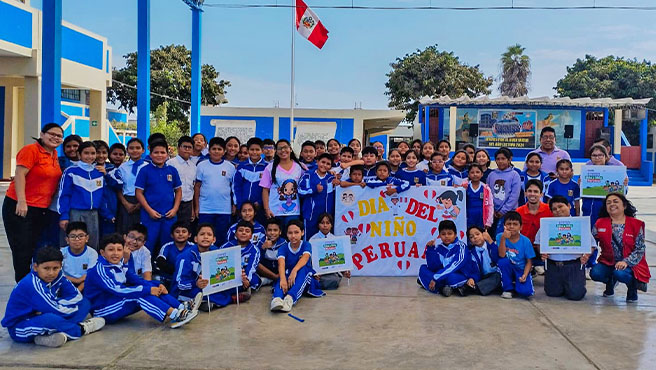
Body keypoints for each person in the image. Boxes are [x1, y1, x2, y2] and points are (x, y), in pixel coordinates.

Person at [85, 233, 199, 327]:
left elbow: (135, 279)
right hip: (102, 310)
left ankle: (181, 307)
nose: (115, 253)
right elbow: (119, 290)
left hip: (116, 301)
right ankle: (176, 315)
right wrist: (148, 290)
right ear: (102, 252)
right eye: (111, 250)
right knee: (140, 294)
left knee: (151, 287)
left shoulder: (119, 263)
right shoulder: (99, 270)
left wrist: (157, 286)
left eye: (119, 250)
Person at [1, 246, 105, 347]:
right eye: (46, 268)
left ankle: (53, 335)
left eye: (55, 268)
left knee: (85, 303)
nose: (51, 273)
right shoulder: (32, 283)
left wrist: (59, 305)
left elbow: (76, 296)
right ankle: (82, 328)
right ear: (35, 267)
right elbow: (56, 310)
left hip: (45, 312)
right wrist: (61, 308)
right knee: (50, 319)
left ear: (61, 266)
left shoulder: (59, 275)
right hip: (20, 326)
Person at [3, 123, 64, 282]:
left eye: (59, 136)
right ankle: (23, 287)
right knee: (22, 250)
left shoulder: (54, 154)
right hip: (20, 206)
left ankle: (34, 284)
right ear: (42, 134)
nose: (55, 138)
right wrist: (22, 201)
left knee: (33, 249)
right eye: (52, 134)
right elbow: (19, 174)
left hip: (40, 209)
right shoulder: (31, 150)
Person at [590, 193, 649, 302]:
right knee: (595, 273)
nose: (612, 204)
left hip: (630, 264)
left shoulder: (636, 224)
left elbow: (640, 249)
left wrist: (626, 262)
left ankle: (632, 289)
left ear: (624, 206)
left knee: (620, 273)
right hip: (608, 261)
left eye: (615, 201)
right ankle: (610, 282)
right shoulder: (600, 223)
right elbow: (591, 241)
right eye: (608, 203)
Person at [535, 196, 593, 301]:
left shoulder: (579, 224)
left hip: (573, 265)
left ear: (569, 206)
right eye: (554, 209)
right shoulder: (546, 225)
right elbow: (539, 242)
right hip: (553, 265)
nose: (558, 210)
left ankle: (574, 284)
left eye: (560, 206)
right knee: (552, 293)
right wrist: (542, 253)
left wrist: (586, 256)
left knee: (576, 295)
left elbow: (592, 244)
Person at [135, 140, 182, 253]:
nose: (159, 155)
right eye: (156, 152)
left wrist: (175, 209)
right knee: (148, 244)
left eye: (162, 152)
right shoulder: (144, 170)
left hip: (169, 215)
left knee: (168, 244)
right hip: (150, 216)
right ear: (150, 154)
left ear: (167, 154)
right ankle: (146, 267)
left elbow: (179, 191)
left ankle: (164, 267)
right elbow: (138, 193)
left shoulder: (172, 170)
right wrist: (150, 211)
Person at [57, 141, 104, 250]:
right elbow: (64, 195)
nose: (90, 156)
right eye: (86, 153)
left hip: (93, 214)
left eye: (93, 153)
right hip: (75, 213)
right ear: (79, 155)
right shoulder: (71, 171)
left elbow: (104, 195)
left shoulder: (99, 172)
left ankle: (91, 266)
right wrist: (64, 215)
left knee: (92, 244)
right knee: (73, 244)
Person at [270, 220, 324, 312]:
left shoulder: (306, 245)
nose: (293, 236)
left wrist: (295, 270)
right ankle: (277, 299)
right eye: (290, 233)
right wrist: (283, 278)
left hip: (305, 277)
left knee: (303, 270)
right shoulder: (283, 248)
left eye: (296, 232)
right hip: (290, 276)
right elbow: (281, 263)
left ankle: (290, 299)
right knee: (283, 275)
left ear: (302, 232)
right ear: (286, 234)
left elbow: (305, 258)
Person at [417, 220, 478, 297]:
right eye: (443, 234)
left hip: (460, 274)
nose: (446, 236)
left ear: (455, 234)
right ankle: (443, 288)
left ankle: (433, 285)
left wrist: (436, 278)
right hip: (443, 274)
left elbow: (455, 265)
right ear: (439, 235)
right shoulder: (439, 248)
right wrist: (430, 250)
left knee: (450, 277)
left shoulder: (461, 247)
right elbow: (433, 267)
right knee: (423, 268)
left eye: (450, 234)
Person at [194, 137, 236, 247]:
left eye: (219, 149)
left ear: (224, 151)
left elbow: (233, 188)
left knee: (221, 238)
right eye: (214, 149)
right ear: (209, 150)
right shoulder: (201, 165)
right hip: (205, 208)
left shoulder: (230, 167)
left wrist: (234, 205)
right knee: (205, 237)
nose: (216, 151)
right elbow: (197, 187)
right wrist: (197, 207)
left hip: (224, 209)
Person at [260, 139, 305, 228]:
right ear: (276, 151)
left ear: (290, 149)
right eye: (280, 148)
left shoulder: (300, 167)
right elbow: (265, 190)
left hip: (294, 212)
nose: (283, 150)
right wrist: (267, 209)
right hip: (275, 211)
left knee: (292, 237)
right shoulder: (270, 168)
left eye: (285, 147)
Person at [516, 179, 552, 275]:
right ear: (525, 193)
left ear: (541, 194)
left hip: (544, 249)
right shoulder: (518, 212)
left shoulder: (550, 210)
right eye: (530, 191)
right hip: (525, 249)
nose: (532, 194)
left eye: (536, 191)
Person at [298, 153, 339, 238]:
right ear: (317, 162)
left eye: (328, 164)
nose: (324, 165)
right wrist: (314, 190)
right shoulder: (308, 175)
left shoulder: (332, 178)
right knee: (309, 238)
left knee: (326, 241)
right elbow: (300, 191)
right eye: (323, 162)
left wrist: (337, 184)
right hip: (310, 215)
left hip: (326, 217)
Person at [496, 211, 535, 299]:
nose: (511, 226)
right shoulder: (500, 236)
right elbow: (501, 255)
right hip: (508, 267)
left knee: (526, 292)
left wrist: (525, 274)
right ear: (504, 226)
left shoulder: (525, 241)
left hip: (521, 269)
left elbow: (529, 261)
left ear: (520, 227)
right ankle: (508, 288)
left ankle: (517, 284)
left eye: (515, 224)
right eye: (509, 224)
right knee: (503, 261)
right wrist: (503, 238)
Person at [219, 220, 262, 296]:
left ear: (251, 235)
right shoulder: (225, 247)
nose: (243, 233)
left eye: (247, 231)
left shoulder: (254, 250)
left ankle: (240, 290)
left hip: (244, 275)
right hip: (227, 275)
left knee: (255, 280)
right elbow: (219, 264)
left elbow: (251, 267)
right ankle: (238, 292)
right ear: (235, 233)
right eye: (240, 230)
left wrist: (246, 279)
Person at [309, 213, 351, 290]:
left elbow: (339, 262)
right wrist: (314, 272)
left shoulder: (335, 240)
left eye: (328, 223)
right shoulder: (312, 240)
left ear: (331, 225)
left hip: (331, 272)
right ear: (318, 225)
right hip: (319, 273)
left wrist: (344, 271)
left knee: (334, 279)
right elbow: (310, 259)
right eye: (322, 223)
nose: (325, 225)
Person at [487, 147, 522, 236]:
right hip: (493, 213)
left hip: (509, 213)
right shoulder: (491, 175)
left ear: (509, 159)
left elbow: (514, 196)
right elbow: (488, 194)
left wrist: (503, 211)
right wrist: (492, 210)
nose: (500, 161)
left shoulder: (514, 175)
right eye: (498, 159)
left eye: (503, 159)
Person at [115, 138, 147, 234]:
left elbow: (151, 187)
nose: (135, 150)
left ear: (143, 150)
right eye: (131, 148)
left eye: (138, 148)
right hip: (126, 201)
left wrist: (140, 204)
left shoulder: (148, 166)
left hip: (144, 202)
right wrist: (125, 203)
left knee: (141, 231)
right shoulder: (122, 167)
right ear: (127, 150)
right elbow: (118, 187)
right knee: (126, 230)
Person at [233, 137, 267, 221]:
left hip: (260, 208)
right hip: (243, 209)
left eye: (257, 149)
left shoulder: (267, 168)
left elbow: (268, 189)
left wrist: (260, 202)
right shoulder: (241, 167)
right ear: (248, 150)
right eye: (252, 149)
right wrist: (240, 204)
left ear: (262, 151)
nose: (254, 152)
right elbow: (236, 187)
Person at [167, 136, 197, 229]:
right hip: (172, 203)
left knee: (184, 230)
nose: (187, 150)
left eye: (190, 147)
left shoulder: (193, 167)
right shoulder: (170, 164)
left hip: (187, 204)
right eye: (185, 147)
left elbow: (192, 188)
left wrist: (192, 208)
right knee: (171, 229)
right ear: (178, 148)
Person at [61, 222, 98, 292]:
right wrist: (77, 280)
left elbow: (90, 276)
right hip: (66, 284)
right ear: (67, 240)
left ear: (87, 238)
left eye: (81, 236)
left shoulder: (92, 253)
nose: (77, 239)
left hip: (86, 284)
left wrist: (78, 290)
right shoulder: (61, 253)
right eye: (72, 236)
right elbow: (59, 275)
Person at [155, 221, 194, 288]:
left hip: (186, 279)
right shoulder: (167, 246)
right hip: (168, 279)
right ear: (172, 235)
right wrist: (176, 270)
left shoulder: (193, 247)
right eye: (177, 232)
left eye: (184, 232)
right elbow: (160, 261)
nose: (180, 234)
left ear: (189, 234)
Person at [467, 226, 502, 296]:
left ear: (484, 234)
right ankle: (477, 286)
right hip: (482, 276)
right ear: (470, 241)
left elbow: (497, 257)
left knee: (497, 277)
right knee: (474, 279)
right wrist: (472, 278)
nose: (475, 237)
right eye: (471, 237)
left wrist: (490, 241)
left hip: (495, 273)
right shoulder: (472, 253)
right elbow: (474, 270)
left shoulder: (491, 245)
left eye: (477, 234)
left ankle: (476, 288)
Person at [257, 217, 287, 286]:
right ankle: (274, 278)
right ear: (266, 231)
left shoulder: (284, 243)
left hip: (279, 269)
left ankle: (270, 280)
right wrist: (263, 248)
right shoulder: (261, 241)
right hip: (266, 271)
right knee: (257, 265)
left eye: (275, 230)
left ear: (280, 232)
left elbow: (286, 260)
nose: (272, 233)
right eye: (269, 230)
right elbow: (257, 260)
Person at [466, 164, 493, 230]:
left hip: (481, 217)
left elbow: (490, 205)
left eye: (477, 172)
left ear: (482, 174)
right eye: (472, 172)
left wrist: (489, 221)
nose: (475, 174)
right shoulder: (465, 187)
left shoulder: (486, 188)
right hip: (467, 216)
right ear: (468, 174)